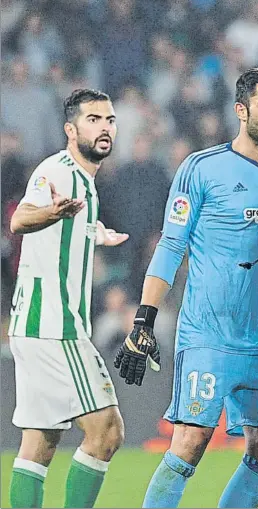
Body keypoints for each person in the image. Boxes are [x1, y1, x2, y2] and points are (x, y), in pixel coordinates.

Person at [114, 68, 258, 508]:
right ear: (241, 110)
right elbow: (171, 246)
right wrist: (144, 320)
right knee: (190, 441)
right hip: (208, 335)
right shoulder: (201, 168)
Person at [8, 89, 129, 509]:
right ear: (70, 128)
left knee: (40, 444)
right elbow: (21, 218)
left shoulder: (85, 183)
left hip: (34, 326)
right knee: (107, 432)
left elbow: (70, 223)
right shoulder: (58, 171)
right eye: (93, 119)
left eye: (110, 120)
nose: (105, 128)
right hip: (55, 327)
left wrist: (95, 232)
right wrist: (51, 213)